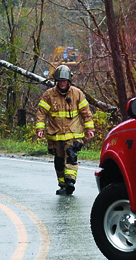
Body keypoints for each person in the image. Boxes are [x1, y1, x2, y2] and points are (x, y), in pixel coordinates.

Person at [35, 64, 96, 195]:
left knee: (71, 156)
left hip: (73, 134)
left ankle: (70, 182)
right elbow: (41, 112)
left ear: (69, 81)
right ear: (56, 81)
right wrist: (40, 128)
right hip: (55, 136)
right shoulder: (49, 95)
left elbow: (86, 112)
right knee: (59, 161)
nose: (62, 83)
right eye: (60, 81)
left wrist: (89, 128)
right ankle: (62, 184)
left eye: (64, 81)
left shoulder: (77, 94)